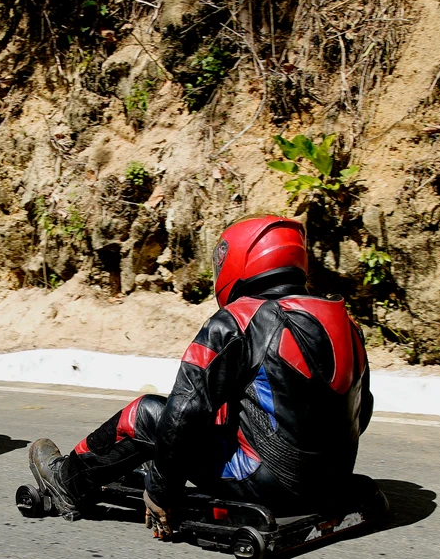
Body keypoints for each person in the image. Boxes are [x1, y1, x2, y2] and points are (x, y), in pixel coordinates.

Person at [26, 215, 373, 537]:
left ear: (237, 259)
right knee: (223, 413)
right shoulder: (343, 320)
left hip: (267, 486)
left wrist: (162, 490)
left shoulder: (236, 320)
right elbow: (362, 411)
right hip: (332, 482)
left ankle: (66, 482)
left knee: (146, 414)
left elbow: (183, 413)